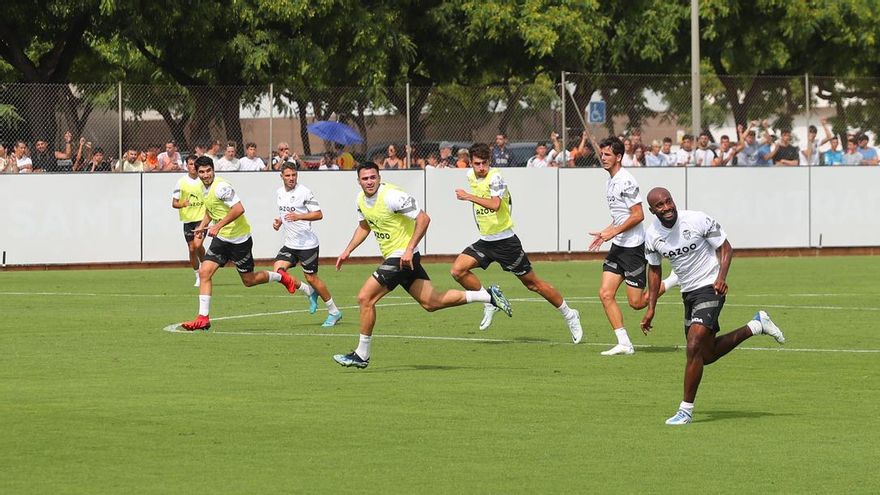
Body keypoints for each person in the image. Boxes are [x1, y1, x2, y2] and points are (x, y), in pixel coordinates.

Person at [332, 162, 512, 368]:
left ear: (379, 177)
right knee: (431, 302)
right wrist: (347, 251)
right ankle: (489, 296)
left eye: (373, 177)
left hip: (402, 256)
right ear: (358, 181)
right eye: (365, 178)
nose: (369, 182)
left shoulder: (392, 196)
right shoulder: (361, 200)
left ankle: (361, 355)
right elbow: (364, 226)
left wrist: (409, 249)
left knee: (365, 298)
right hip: (399, 257)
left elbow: (423, 218)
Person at [639, 187, 785, 425]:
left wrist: (721, 277)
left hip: (710, 286)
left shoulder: (697, 219)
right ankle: (756, 326)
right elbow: (654, 270)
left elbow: (725, 248)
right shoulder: (652, 235)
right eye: (660, 206)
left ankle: (685, 410)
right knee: (705, 355)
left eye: (669, 202)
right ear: (652, 210)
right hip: (688, 293)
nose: (667, 208)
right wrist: (651, 307)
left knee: (694, 344)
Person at [450, 143, 583, 342]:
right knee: (457, 271)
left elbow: (495, 205)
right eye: (477, 164)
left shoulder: (495, 177)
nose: (481, 168)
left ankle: (570, 314)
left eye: (484, 163)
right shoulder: (470, 176)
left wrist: (469, 197)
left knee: (533, 284)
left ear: (490, 162)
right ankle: (489, 300)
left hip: (505, 242)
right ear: (470, 162)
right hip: (486, 241)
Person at [180, 156, 302, 331]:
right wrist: (202, 226)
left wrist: (217, 226)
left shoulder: (222, 187)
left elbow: (239, 209)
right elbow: (210, 208)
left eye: (208, 171)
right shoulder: (202, 187)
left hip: (239, 240)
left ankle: (281, 277)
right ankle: (203, 318)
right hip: (222, 239)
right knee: (205, 272)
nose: (206, 175)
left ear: (214, 170)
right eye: (202, 172)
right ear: (196, 173)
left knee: (249, 280)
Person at [589, 136, 677, 356]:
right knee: (605, 294)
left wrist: (613, 232)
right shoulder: (609, 181)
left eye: (607, 154)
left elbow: (638, 215)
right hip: (618, 246)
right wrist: (606, 231)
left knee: (636, 303)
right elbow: (621, 217)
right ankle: (624, 343)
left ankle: (673, 280)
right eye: (602, 154)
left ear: (619, 157)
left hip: (634, 248)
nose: (603, 158)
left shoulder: (626, 180)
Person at [272, 163, 343, 326]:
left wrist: (299, 217)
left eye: (294, 175)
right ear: (281, 176)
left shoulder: (304, 192)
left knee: (311, 278)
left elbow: (319, 214)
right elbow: (285, 213)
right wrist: (279, 222)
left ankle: (334, 312)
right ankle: (308, 291)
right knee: (278, 271)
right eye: (288, 175)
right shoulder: (279, 192)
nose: (291, 178)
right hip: (290, 244)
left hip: (307, 244)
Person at [172, 155, 207, 286]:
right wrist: (182, 204)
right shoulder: (181, 182)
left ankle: (205, 270)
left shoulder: (203, 180)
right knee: (192, 249)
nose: (193, 167)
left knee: (198, 245)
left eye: (195, 164)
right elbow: (174, 203)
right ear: (187, 166)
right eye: (191, 164)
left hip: (201, 219)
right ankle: (198, 274)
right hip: (188, 220)